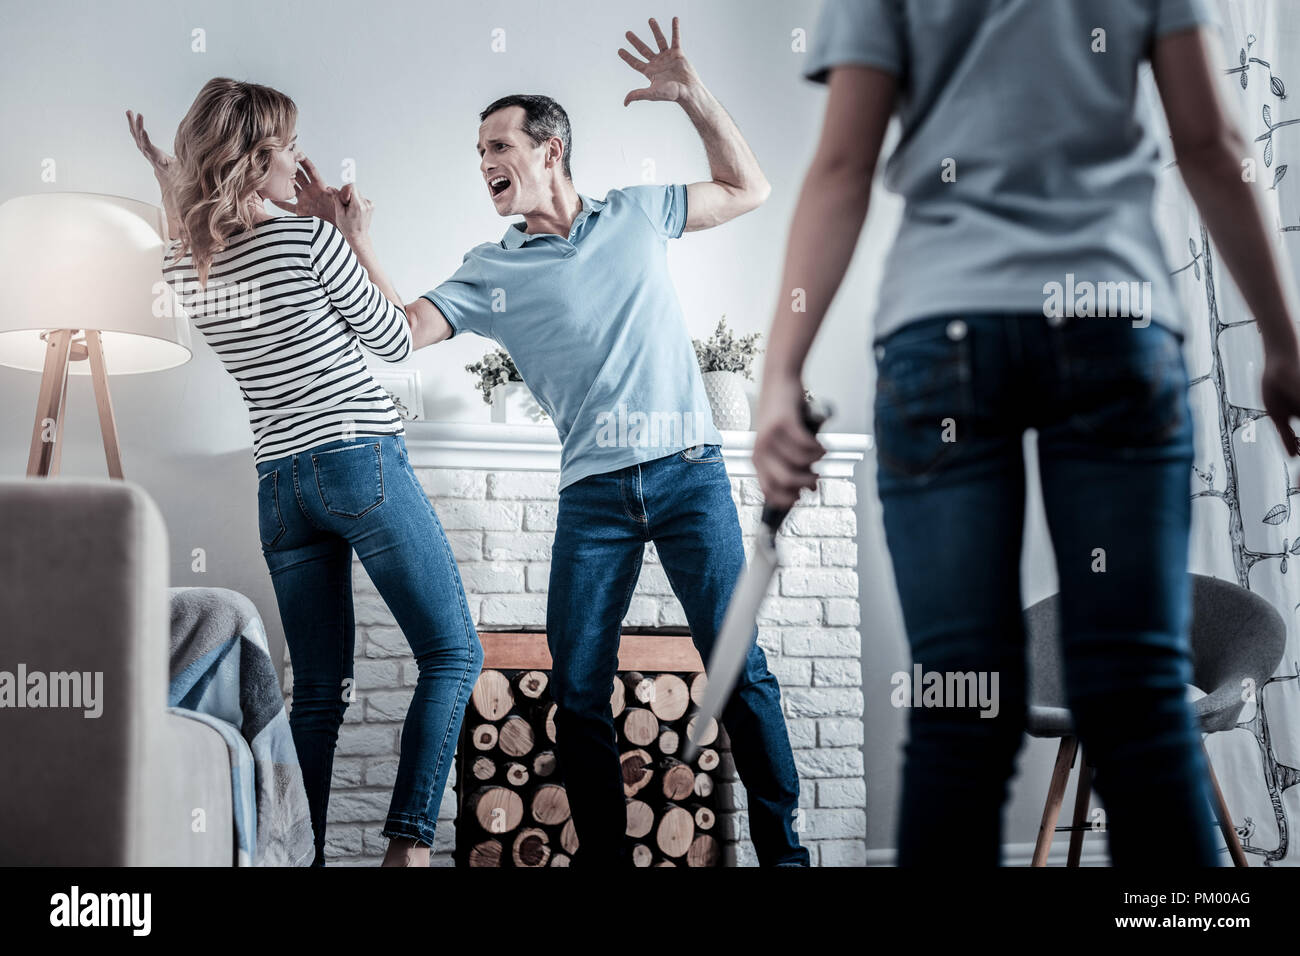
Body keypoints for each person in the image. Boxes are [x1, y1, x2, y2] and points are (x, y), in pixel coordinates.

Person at [754, 0, 1300, 866]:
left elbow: (844, 163)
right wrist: (1281, 339)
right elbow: (1210, 143)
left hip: (944, 328)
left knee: (960, 699)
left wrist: (781, 374)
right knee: (1141, 701)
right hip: (1113, 321)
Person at [402, 17, 810, 866]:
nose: (484, 162)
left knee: (739, 667)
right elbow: (401, 331)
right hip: (594, 499)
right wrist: (352, 236)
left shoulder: (637, 213)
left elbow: (751, 187)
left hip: (688, 475)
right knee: (578, 691)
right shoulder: (492, 269)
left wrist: (695, 97)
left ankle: (785, 856)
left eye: (498, 144)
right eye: (478, 151)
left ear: (550, 148)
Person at [128, 78, 483, 867]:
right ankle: (410, 847)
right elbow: (393, 342)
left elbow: (188, 232)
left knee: (319, 692)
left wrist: (169, 175)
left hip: (280, 490)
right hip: (359, 461)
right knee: (456, 653)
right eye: (287, 146)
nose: (299, 160)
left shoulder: (186, 269)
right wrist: (349, 230)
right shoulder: (309, 239)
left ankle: (297, 858)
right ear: (256, 160)